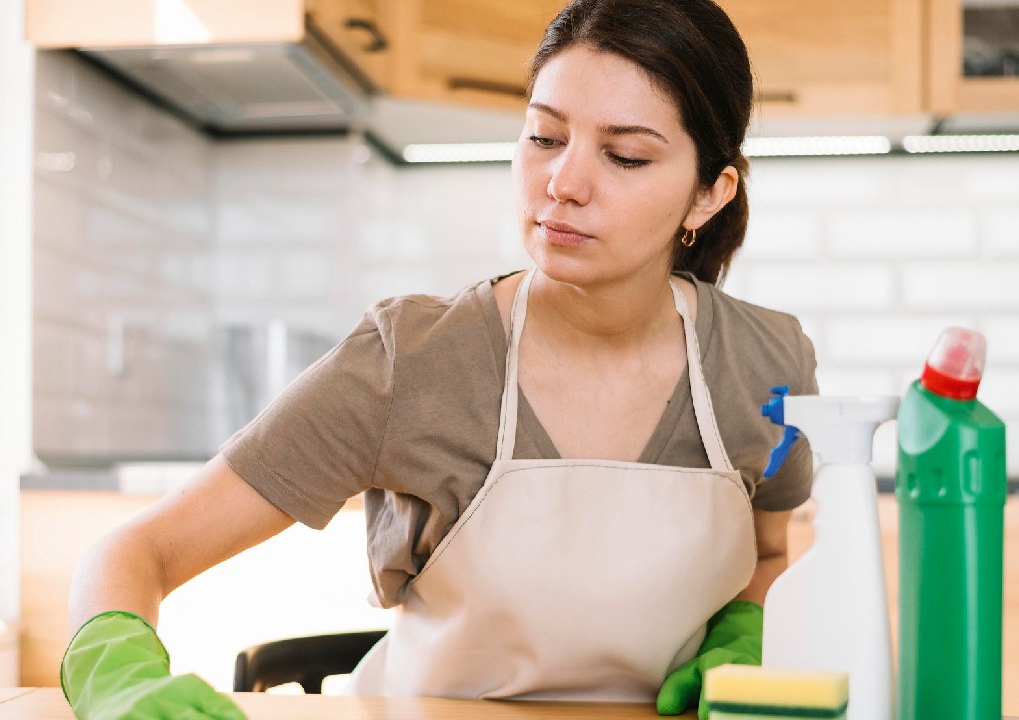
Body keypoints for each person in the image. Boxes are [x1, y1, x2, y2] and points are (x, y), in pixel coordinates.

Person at [59, 1, 819, 718]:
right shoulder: (410, 361)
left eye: (624, 156)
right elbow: (137, 549)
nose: (563, 183)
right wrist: (116, 674)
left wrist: (744, 628)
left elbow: (770, 551)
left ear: (708, 195)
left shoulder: (765, 361)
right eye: (544, 137)